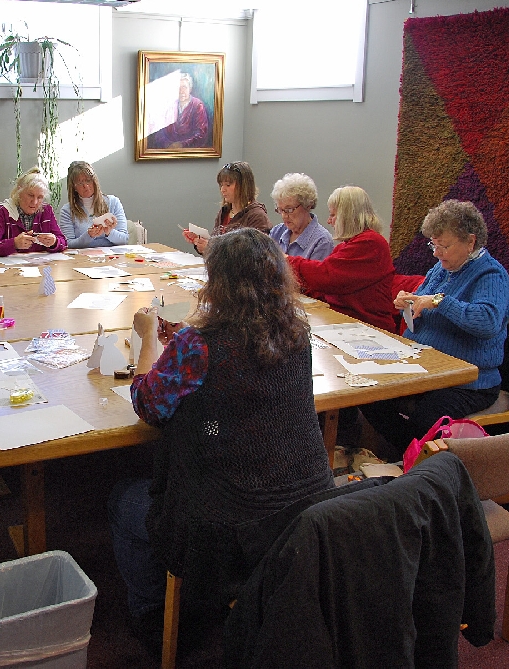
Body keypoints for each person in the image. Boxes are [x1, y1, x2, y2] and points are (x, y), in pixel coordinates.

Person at [108, 227, 334, 653]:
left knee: (124, 500)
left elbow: (149, 406)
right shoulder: (296, 332)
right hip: (308, 511)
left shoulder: (199, 344)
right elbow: (241, 400)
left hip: (229, 526)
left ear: (217, 283)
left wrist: (145, 341)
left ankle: (153, 621)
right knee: (207, 432)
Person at [361, 200, 509, 458]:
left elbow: (487, 321)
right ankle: (410, 454)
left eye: (444, 246)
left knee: (427, 417)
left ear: (470, 242)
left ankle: (415, 462)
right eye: (434, 244)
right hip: (427, 368)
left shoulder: (490, 275)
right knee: (370, 395)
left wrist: (440, 301)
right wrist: (407, 304)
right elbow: (421, 307)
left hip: (468, 381)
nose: (436, 253)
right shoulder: (442, 270)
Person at [286, 185, 396, 332]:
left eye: (333, 215)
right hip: (346, 324)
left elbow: (327, 276)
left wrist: (287, 261)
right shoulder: (348, 245)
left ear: (347, 215)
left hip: (368, 329)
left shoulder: (371, 243)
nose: (329, 221)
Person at [182, 161, 270, 255]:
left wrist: (212, 248)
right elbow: (216, 244)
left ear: (243, 186)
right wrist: (200, 242)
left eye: (228, 185)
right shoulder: (225, 212)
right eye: (221, 185)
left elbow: (253, 256)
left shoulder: (257, 216)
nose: (223, 190)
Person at [0, 167, 68, 256]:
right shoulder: (4, 211)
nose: (34, 202)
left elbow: (64, 243)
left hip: (40, 267)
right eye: (30, 195)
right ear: (19, 192)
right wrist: (14, 243)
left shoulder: (46, 210)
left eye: (40, 197)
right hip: (10, 268)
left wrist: (54, 242)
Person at [57, 161, 129, 248]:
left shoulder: (113, 202)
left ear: (94, 181)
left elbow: (124, 240)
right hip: (82, 259)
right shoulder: (67, 211)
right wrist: (89, 235)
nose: (86, 186)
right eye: (80, 183)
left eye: (88, 180)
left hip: (111, 258)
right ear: (74, 187)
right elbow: (68, 245)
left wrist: (109, 232)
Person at [269, 172, 334, 261]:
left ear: (307, 205)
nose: (284, 216)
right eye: (280, 210)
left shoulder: (322, 241)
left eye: (289, 210)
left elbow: (314, 274)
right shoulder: (277, 232)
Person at [150, 72, 210, 149]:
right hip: (168, 152)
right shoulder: (169, 106)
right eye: (178, 87)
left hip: (190, 153)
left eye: (184, 87)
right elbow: (159, 133)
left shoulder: (198, 105)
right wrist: (167, 145)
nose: (181, 91)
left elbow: (202, 135)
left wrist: (182, 145)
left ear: (190, 89)